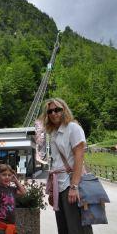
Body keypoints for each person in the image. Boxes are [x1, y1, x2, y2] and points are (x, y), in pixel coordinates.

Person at [39, 98, 93, 234]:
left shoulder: (73, 128)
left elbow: (79, 157)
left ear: (64, 110)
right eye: (50, 111)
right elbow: (56, 162)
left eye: (57, 109)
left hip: (71, 183)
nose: (53, 113)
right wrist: (52, 191)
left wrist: (74, 187)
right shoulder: (53, 133)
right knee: (63, 228)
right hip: (60, 185)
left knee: (77, 227)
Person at [0, 164, 26, 234]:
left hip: (11, 226)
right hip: (0, 227)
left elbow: (23, 192)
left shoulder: (12, 189)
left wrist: (16, 181)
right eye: (4, 175)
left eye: (9, 175)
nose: (7, 177)